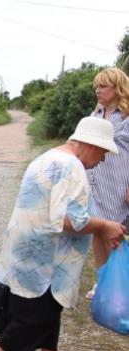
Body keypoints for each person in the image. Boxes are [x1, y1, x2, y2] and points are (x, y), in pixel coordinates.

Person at [0, 116, 126, 351]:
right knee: (12, 343)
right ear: (92, 145)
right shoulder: (72, 167)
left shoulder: (48, 157)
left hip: (27, 264)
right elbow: (68, 220)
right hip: (46, 273)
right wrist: (104, 226)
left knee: (46, 338)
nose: (102, 161)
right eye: (103, 153)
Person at [85, 67, 129, 300]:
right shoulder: (95, 115)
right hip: (96, 184)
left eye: (103, 86)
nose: (98, 90)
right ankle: (103, 281)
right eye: (97, 86)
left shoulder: (126, 117)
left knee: (116, 235)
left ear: (118, 88)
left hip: (120, 184)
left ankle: (119, 285)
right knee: (97, 232)